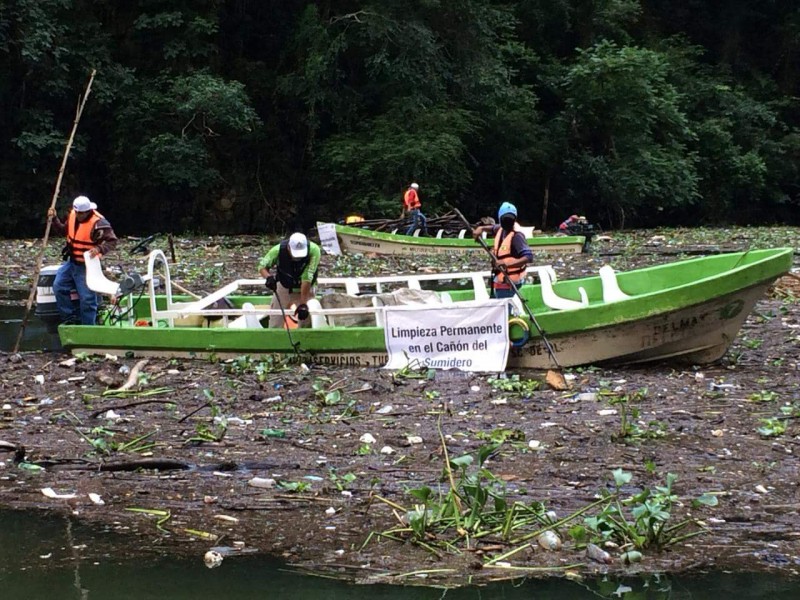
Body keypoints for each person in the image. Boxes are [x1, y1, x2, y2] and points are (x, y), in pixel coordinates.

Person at [47, 195, 119, 325]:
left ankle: (88, 326)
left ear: (87, 211)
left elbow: (112, 241)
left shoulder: (99, 223)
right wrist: (54, 219)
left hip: (87, 266)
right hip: (72, 261)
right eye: (78, 213)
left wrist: (99, 249)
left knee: (87, 298)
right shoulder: (73, 216)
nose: (79, 216)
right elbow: (63, 230)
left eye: (81, 213)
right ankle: (68, 318)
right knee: (59, 286)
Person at [258, 232, 321, 328]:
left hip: (306, 288)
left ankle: (305, 337)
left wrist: (303, 304)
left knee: (306, 321)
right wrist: (268, 277)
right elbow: (262, 266)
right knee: (275, 320)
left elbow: (307, 277)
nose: (298, 258)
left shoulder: (314, 250)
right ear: (288, 247)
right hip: (284, 286)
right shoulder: (277, 250)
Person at [472, 202, 533, 299]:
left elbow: (528, 257)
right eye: (505, 220)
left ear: (515, 220)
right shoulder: (501, 229)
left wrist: (506, 264)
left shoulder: (517, 236)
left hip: (510, 281)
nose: (507, 223)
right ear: (500, 220)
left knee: (504, 307)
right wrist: (481, 228)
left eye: (510, 220)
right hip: (501, 278)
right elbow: (492, 228)